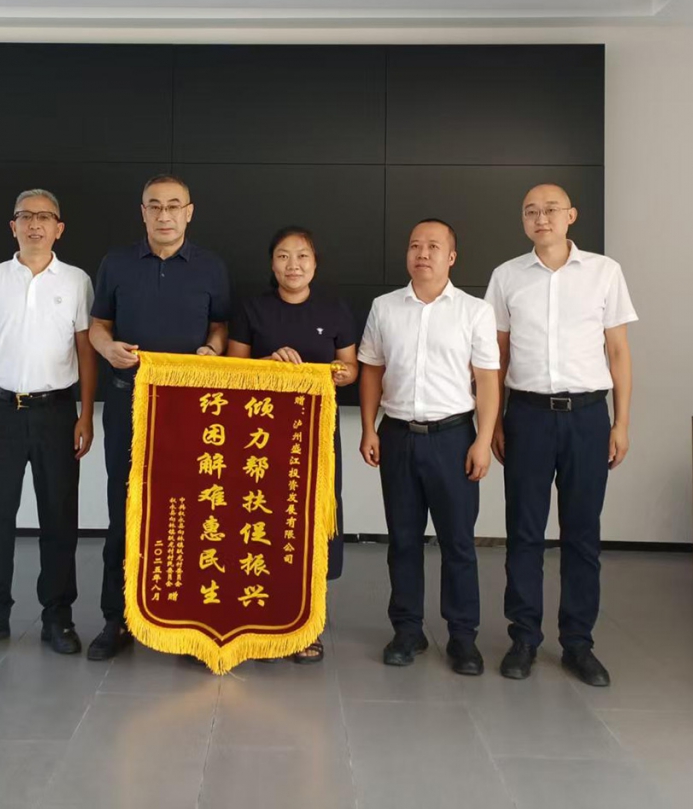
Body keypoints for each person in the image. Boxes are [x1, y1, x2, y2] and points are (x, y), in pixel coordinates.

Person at [484, 184, 636, 687]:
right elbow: (496, 355)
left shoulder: (604, 272)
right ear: (523, 220)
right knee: (524, 532)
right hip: (527, 415)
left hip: (588, 417)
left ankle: (578, 643)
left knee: (582, 534)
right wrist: (495, 421)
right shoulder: (506, 276)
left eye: (551, 209)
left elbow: (619, 352)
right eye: (531, 211)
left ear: (572, 215)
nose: (541, 218)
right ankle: (524, 637)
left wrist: (621, 422)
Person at [87, 174, 231, 660]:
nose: (164, 215)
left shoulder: (211, 266)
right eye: (155, 206)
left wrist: (214, 348)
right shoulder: (116, 263)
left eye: (174, 206)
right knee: (125, 507)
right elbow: (98, 324)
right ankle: (117, 618)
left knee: (191, 511)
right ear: (143, 212)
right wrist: (107, 348)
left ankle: (187, 622)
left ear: (189, 212)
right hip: (128, 401)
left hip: (191, 408)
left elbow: (220, 324)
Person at [0, 188, 97, 656]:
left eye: (45, 216)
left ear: (59, 228)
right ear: (12, 226)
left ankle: (58, 618)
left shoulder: (76, 281)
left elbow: (86, 353)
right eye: (26, 216)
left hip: (57, 414)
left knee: (60, 519)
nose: (35, 224)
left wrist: (86, 415)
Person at [357, 219, 501, 676]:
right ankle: (407, 630)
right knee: (402, 540)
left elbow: (487, 381)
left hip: (453, 438)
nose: (422, 253)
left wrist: (482, 439)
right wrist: (368, 427)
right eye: (415, 245)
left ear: (451, 257)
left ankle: (462, 637)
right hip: (397, 435)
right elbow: (372, 370)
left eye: (433, 246)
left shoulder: (475, 311)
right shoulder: (384, 308)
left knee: (458, 541)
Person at [227, 226, 359, 664]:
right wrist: (268, 363)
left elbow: (351, 369)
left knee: (312, 519)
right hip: (261, 436)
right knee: (262, 518)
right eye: (283, 256)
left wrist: (338, 373)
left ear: (315, 263)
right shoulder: (252, 309)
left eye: (302, 256)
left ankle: (306, 624)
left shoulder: (335, 309)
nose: (293, 265)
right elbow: (233, 371)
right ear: (272, 264)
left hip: (317, 434)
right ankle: (257, 616)